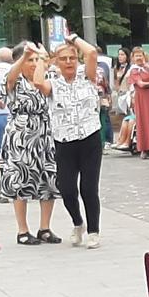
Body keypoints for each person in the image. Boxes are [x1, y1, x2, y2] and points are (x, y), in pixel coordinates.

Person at [0, 42, 61, 243]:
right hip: (21, 135)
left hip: (44, 132)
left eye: (35, 59)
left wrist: (43, 60)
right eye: (29, 60)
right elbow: (9, 79)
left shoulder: (46, 79)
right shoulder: (15, 81)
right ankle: (22, 230)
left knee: (49, 178)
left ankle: (45, 228)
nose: (33, 63)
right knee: (20, 180)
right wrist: (24, 55)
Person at [46, 37, 105, 248]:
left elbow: (91, 54)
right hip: (64, 140)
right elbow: (37, 83)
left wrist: (74, 40)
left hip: (89, 137)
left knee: (89, 188)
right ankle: (77, 222)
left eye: (72, 58)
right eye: (64, 59)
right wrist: (45, 61)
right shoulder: (53, 83)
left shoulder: (86, 77)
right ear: (57, 62)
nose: (69, 62)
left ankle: (93, 230)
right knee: (67, 187)